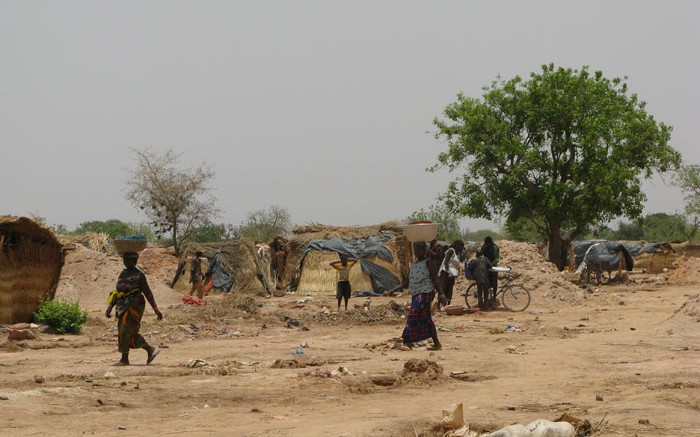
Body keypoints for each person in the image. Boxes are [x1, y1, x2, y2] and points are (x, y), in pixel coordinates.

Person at [384, 242, 445, 350]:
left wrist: (441, 294)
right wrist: (391, 290)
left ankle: (407, 341)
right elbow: (406, 283)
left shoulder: (429, 263)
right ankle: (436, 343)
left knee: (412, 314)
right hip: (416, 294)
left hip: (426, 293)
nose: (417, 252)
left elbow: (436, 280)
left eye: (419, 250)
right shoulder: (414, 265)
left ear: (425, 250)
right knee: (426, 318)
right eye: (415, 250)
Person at [105, 251, 163, 366]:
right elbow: (117, 292)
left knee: (125, 330)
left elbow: (147, 292)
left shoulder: (139, 275)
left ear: (135, 261)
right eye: (125, 260)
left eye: (129, 260)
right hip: (122, 305)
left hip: (135, 305)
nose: (127, 262)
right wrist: (110, 307)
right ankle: (148, 349)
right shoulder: (122, 273)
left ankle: (124, 359)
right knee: (125, 331)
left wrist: (156, 309)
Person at [439, 240, 466, 308]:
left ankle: (447, 305)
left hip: (452, 274)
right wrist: (448, 272)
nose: (462, 248)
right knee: (443, 288)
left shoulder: (458, 253)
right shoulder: (451, 250)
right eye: (461, 246)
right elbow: (446, 262)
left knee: (449, 289)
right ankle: (439, 305)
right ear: (457, 245)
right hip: (445, 273)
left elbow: (461, 260)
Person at [481, 236, 500, 308]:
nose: (486, 245)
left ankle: (494, 297)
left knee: (494, 283)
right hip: (486, 267)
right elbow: (481, 254)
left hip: (493, 267)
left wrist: (490, 265)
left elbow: (496, 259)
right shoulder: (484, 246)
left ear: (491, 242)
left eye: (487, 243)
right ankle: (486, 298)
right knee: (485, 283)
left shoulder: (495, 247)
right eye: (485, 243)